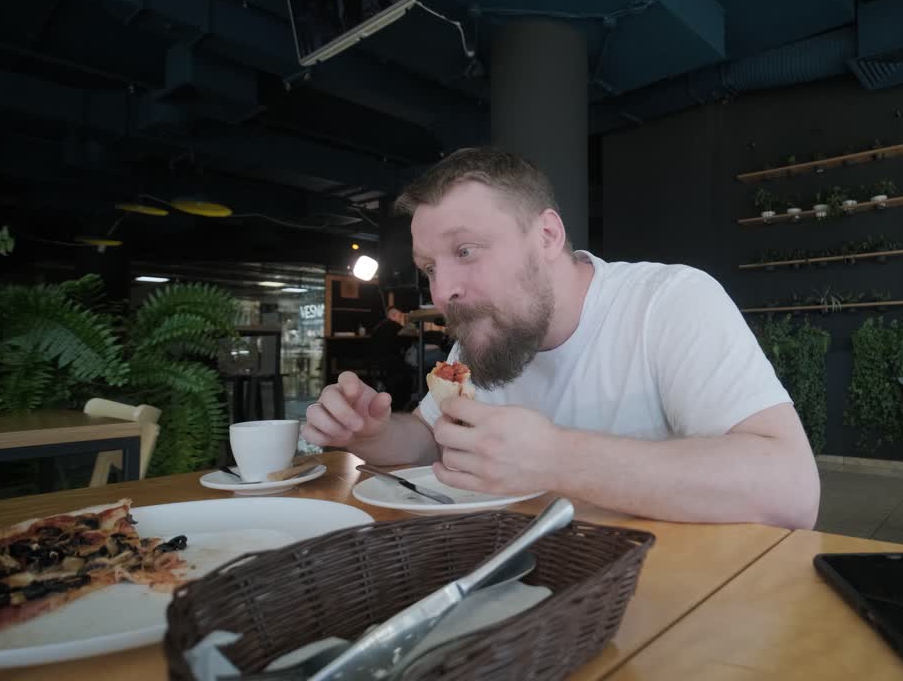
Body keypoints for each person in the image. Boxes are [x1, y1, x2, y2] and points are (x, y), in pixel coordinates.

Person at [303, 148, 820, 528]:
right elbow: (426, 437)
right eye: (429, 267)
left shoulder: (669, 302)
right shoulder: (481, 340)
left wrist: (557, 458)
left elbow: (791, 490)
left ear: (547, 236)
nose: (443, 292)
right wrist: (370, 434)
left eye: (465, 252)